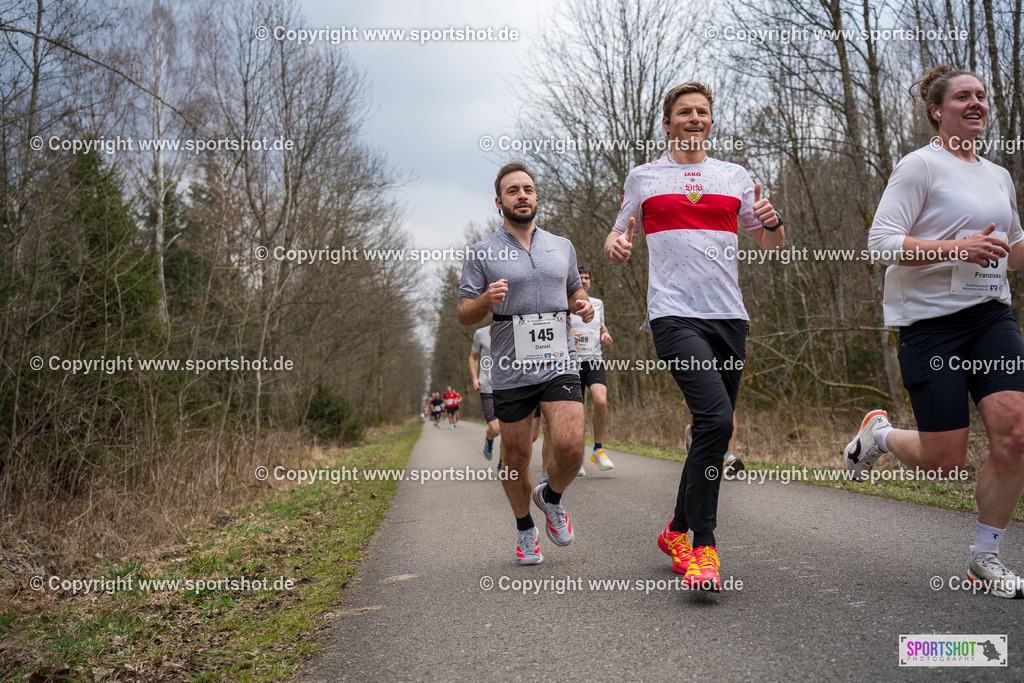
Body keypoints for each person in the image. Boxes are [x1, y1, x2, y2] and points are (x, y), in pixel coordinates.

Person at [849, 65, 1024, 599]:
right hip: (929, 325)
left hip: (991, 317)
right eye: (964, 97)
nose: (977, 104)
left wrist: (995, 249)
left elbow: (1013, 253)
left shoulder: (998, 175)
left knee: (1015, 434)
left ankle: (985, 558)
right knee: (947, 460)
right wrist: (957, 248)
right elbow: (880, 244)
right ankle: (878, 436)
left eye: (983, 96)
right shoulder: (919, 167)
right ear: (937, 110)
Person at [605, 81, 785, 590]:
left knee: (713, 432)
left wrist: (773, 222)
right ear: (667, 123)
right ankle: (705, 548)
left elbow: (770, 243)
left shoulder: (734, 177)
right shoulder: (643, 178)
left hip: (730, 318)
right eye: (683, 112)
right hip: (673, 315)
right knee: (715, 418)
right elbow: (619, 232)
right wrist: (617, 243)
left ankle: (676, 529)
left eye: (702, 112)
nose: (693, 119)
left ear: (710, 121)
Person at [459, 161, 594, 566]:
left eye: (528, 189)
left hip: (559, 359)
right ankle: (524, 528)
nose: (523, 195)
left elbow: (572, 292)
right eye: (514, 190)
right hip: (511, 367)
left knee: (570, 447)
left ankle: (550, 498)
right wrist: (485, 300)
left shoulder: (562, 246)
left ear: (536, 196)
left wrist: (582, 306)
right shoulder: (482, 252)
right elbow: (465, 312)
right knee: (515, 457)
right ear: (498, 202)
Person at [571, 266, 615, 472]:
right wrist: (568, 331)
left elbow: (601, 325)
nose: (583, 280)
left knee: (600, 400)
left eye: (586, 277)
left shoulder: (598, 303)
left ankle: (598, 450)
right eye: (579, 277)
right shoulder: (566, 304)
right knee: (577, 412)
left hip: (594, 360)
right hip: (572, 363)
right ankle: (576, 456)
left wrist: (605, 333)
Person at [471, 322, 500, 459]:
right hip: (487, 388)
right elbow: (473, 358)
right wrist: (475, 378)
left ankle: (503, 463)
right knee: (495, 429)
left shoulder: (514, 331)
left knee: (508, 432)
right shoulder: (480, 333)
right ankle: (489, 440)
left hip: (508, 388)